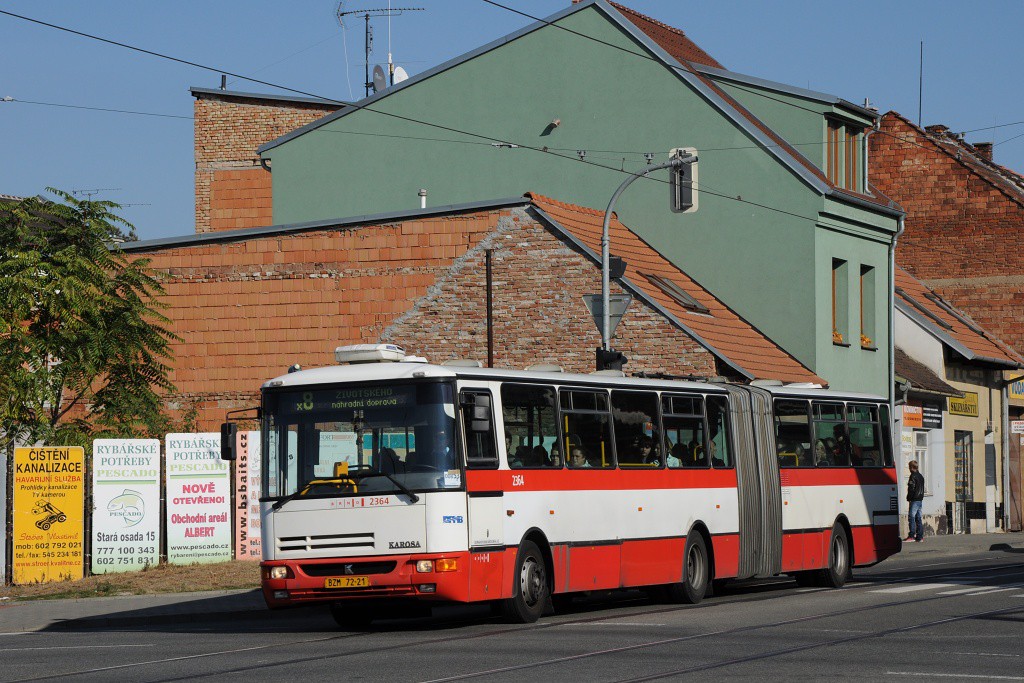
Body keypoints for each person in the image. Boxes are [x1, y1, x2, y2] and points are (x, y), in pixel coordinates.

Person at [906, 460, 925, 542]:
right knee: (918, 518)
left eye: (909, 467)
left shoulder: (913, 476)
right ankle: (920, 537)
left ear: (911, 467)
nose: (909, 469)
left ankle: (911, 536)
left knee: (912, 517)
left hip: (914, 499)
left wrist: (909, 498)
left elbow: (911, 489)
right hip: (920, 499)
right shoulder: (921, 476)